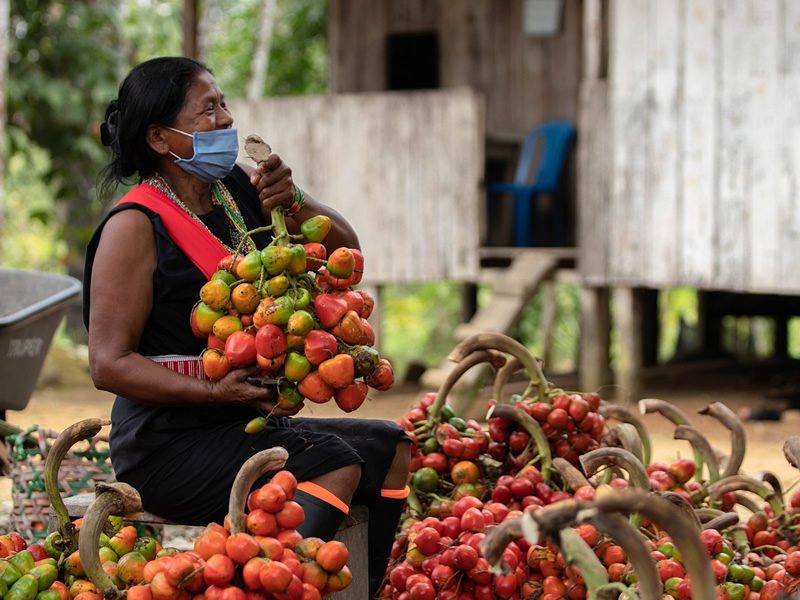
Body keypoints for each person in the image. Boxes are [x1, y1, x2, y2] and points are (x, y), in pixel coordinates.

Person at [84, 56, 409, 597]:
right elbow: (107, 363)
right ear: (162, 138)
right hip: (165, 446)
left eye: (224, 103)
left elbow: (346, 252)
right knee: (335, 464)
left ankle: (365, 589)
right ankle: (261, 586)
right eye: (208, 109)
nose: (226, 119)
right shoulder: (134, 225)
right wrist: (212, 392)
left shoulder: (236, 188)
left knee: (390, 444)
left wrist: (296, 201)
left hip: (241, 423)